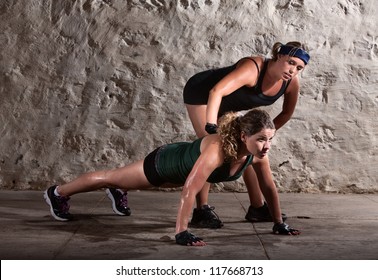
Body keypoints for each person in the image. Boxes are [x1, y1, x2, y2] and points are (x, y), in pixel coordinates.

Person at [44, 109, 300, 246]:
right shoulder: (218, 149)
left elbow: (269, 187)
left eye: (270, 139)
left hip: (180, 170)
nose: (267, 145)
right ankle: (57, 193)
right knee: (111, 177)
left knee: (118, 182)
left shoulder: (257, 154)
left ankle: (119, 192)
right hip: (165, 165)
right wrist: (181, 232)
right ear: (245, 136)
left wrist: (279, 223)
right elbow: (190, 189)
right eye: (261, 139)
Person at [183, 41, 310, 228]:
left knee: (248, 149)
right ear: (279, 56)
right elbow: (216, 91)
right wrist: (211, 125)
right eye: (291, 62)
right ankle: (201, 210)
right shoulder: (253, 69)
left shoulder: (290, 82)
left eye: (299, 68)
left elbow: (286, 113)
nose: (293, 70)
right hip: (202, 95)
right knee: (212, 149)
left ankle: (257, 208)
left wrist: (264, 133)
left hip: (228, 105)